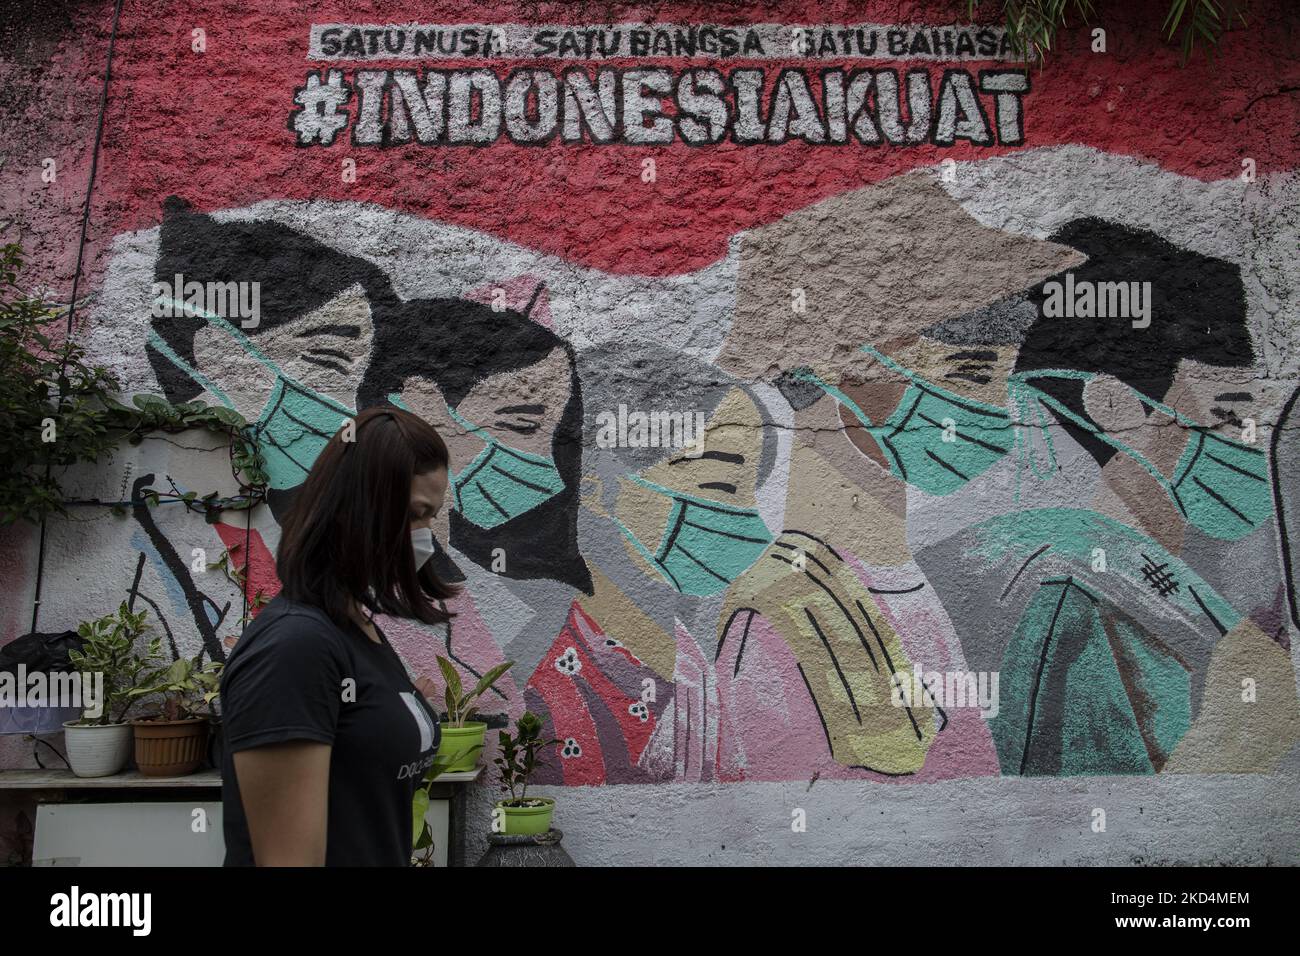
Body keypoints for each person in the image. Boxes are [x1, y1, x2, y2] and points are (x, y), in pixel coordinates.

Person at [219, 405, 456, 866]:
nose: (423, 536)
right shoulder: (294, 647)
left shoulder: (356, 629)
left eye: (430, 517)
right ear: (355, 508)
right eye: (412, 514)